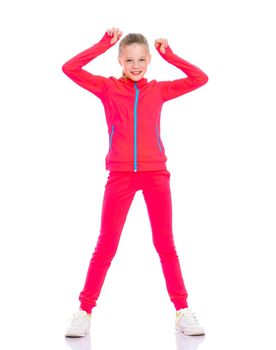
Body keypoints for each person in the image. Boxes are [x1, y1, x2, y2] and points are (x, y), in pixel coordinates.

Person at [62, 27, 208, 337]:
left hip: (156, 175)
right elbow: (69, 68)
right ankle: (84, 310)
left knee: (165, 244)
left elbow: (200, 79)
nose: (136, 65)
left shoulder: (159, 90)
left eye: (142, 59)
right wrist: (103, 43)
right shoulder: (108, 88)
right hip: (120, 176)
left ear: (150, 60)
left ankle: (182, 310)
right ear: (120, 61)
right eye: (129, 60)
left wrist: (172, 56)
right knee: (107, 244)